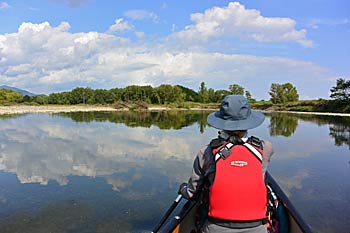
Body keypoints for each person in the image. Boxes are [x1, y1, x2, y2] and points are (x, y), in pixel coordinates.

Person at [178, 95, 273, 233]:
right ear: (248, 120)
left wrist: (183, 190)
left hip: (216, 228)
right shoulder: (266, 148)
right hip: (258, 228)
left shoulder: (206, 152)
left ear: (221, 122)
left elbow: (193, 193)